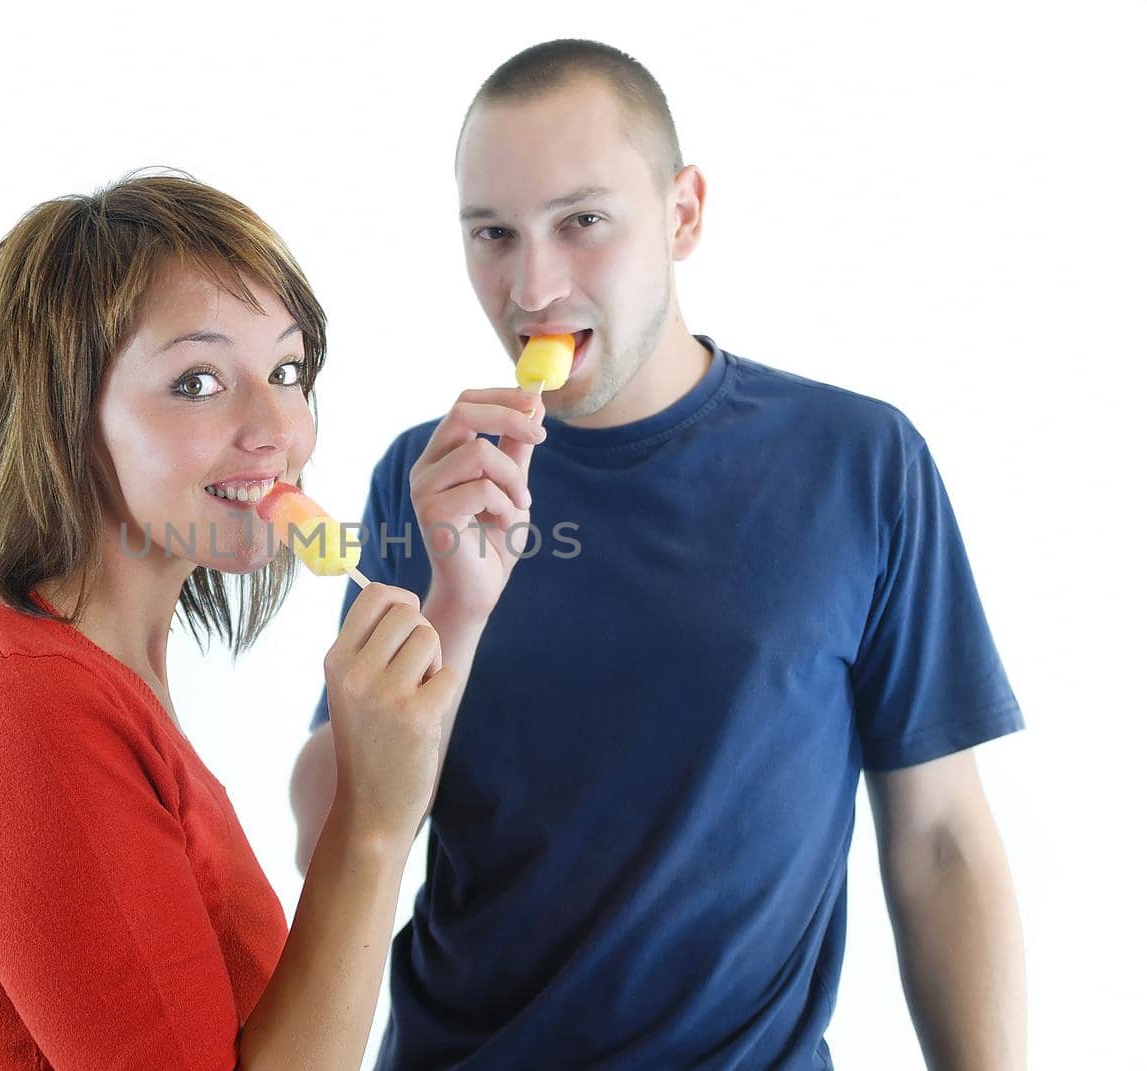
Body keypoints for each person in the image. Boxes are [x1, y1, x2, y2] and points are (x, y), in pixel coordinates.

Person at [291, 40, 1027, 1070]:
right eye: (492, 234)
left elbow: (942, 841)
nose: (533, 285)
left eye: (581, 223)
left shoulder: (858, 463)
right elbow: (327, 833)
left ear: (681, 214)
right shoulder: (425, 477)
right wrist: (452, 604)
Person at [0, 173, 475, 1070]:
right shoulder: (23, 719)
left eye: (288, 370)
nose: (277, 427)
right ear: (65, 415)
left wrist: (460, 596)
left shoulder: (92, 675)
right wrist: (374, 823)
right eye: (197, 380)